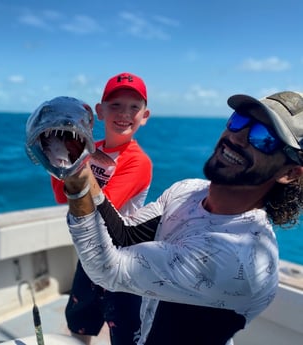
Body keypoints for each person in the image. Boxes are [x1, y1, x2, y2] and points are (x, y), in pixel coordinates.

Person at [61, 91, 303, 344]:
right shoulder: (188, 190)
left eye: (264, 138)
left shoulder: (238, 257)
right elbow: (125, 236)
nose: (238, 137)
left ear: (289, 173)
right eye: (239, 120)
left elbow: (107, 269)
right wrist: (82, 167)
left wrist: (77, 181)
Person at [51, 72, 153, 344]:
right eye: (116, 104)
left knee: (125, 333)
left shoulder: (138, 162)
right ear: (100, 111)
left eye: (134, 107)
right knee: (79, 324)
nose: (124, 113)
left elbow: (101, 209)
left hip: (123, 263)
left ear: (145, 116)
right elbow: (64, 198)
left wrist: (74, 167)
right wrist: (58, 157)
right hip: (90, 255)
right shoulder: (89, 148)